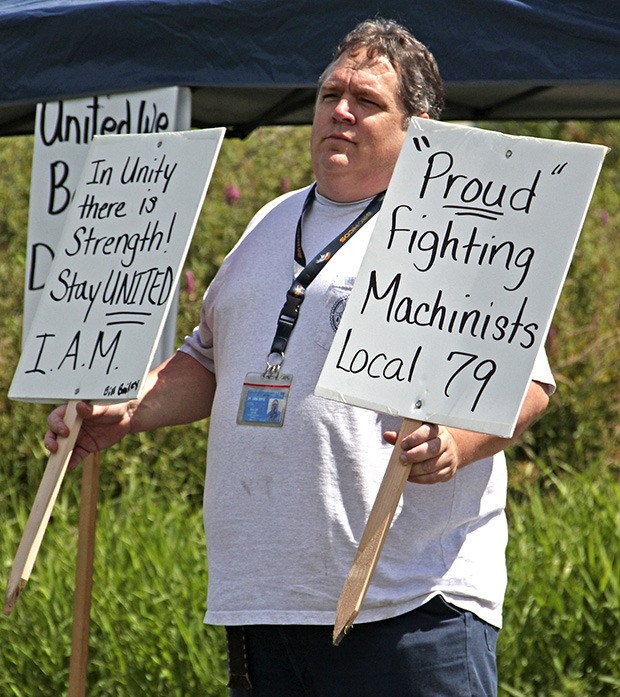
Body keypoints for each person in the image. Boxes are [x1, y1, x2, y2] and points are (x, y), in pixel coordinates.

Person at [46, 18, 554, 697]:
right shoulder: (267, 223)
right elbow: (209, 361)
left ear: (419, 125)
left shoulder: (455, 226)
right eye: (329, 95)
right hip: (265, 602)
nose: (339, 111)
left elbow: (528, 383)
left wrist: (456, 445)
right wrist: (126, 406)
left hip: (408, 605)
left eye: (366, 100)